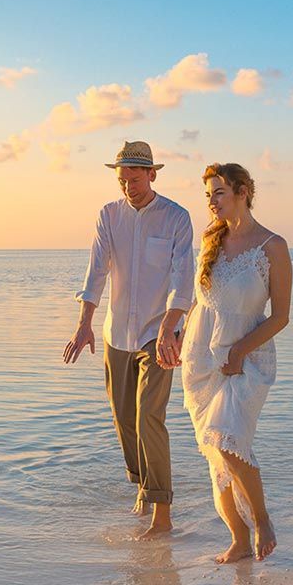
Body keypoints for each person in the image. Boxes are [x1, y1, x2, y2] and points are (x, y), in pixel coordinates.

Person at [63, 140, 195, 539]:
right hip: (116, 334)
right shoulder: (109, 215)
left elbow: (182, 278)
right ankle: (142, 485)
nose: (128, 187)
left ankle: (162, 513)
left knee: (148, 417)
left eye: (135, 179)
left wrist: (172, 324)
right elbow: (96, 273)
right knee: (124, 420)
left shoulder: (176, 218)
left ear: (152, 174)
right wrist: (84, 322)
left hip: (159, 335)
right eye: (122, 180)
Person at [180, 162, 292, 563]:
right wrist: (173, 333)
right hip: (201, 357)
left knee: (228, 440)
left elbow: (281, 316)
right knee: (214, 451)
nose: (211, 202)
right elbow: (200, 301)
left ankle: (262, 521)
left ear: (243, 191)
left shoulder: (272, 247)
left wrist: (240, 351)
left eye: (219, 193)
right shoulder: (211, 240)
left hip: (247, 357)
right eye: (208, 194)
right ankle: (238, 539)